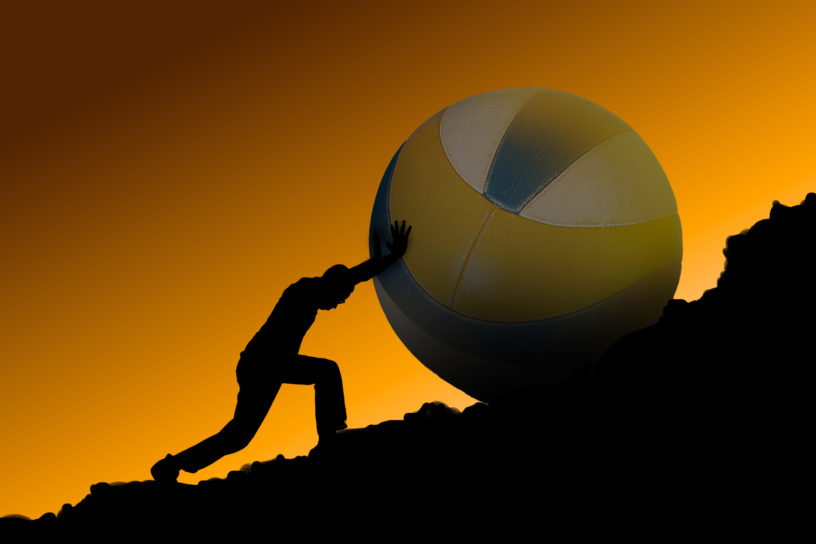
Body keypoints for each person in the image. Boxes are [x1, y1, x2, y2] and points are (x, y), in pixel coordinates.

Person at [151, 220, 412, 483]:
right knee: (324, 371)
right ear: (332, 285)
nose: (338, 305)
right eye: (340, 298)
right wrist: (391, 256)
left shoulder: (310, 292)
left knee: (240, 435)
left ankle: (171, 465)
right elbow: (354, 275)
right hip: (263, 363)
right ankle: (328, 439)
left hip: (269, 364)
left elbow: (351, 277)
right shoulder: (305, 289)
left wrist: (377, 259)